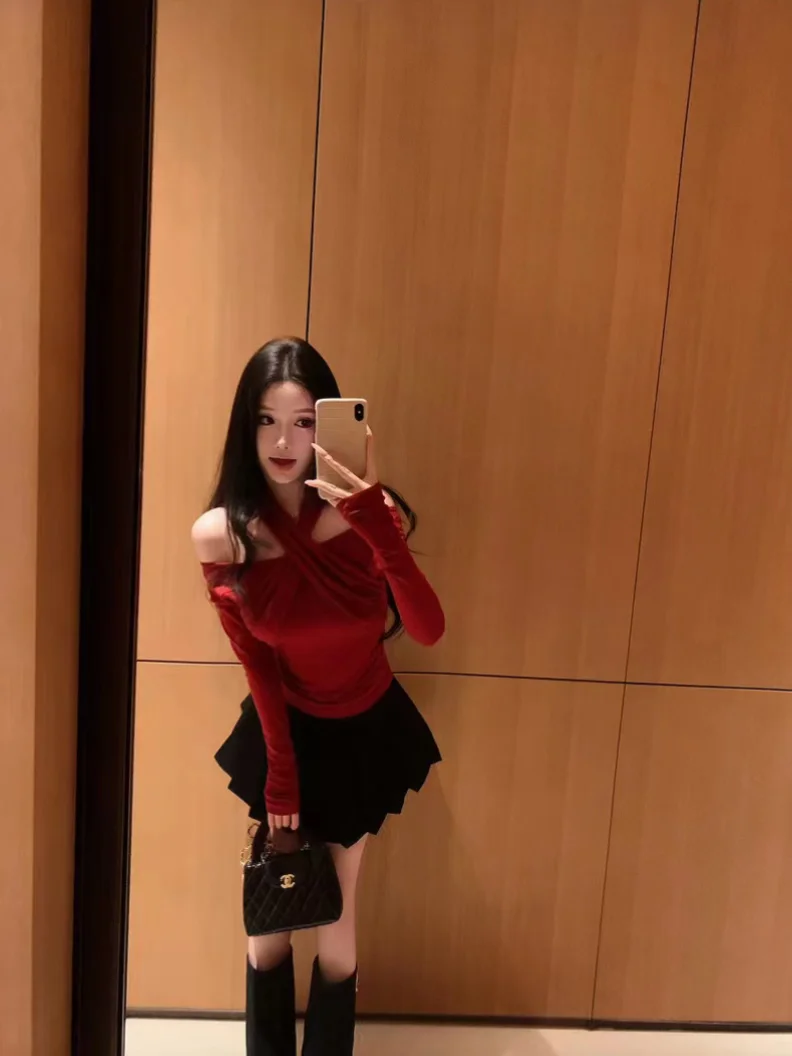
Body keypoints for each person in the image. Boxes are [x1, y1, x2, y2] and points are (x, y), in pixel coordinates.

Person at [191, 337, 444, 1056]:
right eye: (266, 421)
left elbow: (427, 630)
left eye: (303, 422)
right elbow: (256, 663)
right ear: (245, 427)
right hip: (285, 729)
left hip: (364, 730)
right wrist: (281, 774)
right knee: (269, 921)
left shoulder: (368, 515)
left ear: (328, 427)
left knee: (337, 915)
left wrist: (377, 523)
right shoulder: (222, 534)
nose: (283, 442)